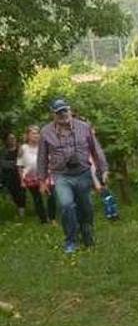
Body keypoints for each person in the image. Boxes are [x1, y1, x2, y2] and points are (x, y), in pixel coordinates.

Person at [36, 99, 108, 253]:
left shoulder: (84, 127)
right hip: (61, 175)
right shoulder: (45, 132)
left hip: (83, 173)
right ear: (53, 115)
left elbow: (96, 149)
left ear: (70, 110)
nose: (63, 114)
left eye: (65, 110)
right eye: (59, 112)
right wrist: (42, 181)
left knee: (86, 207)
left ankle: (87, 234)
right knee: (66, 205)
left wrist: (103, 169)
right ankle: (70, 240)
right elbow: (41, 157)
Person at [16, 126, 50, 224]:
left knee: (51, 195)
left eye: (37, 133)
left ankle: (52, 216)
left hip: (44, 175)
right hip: (30, 178)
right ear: (28, 135)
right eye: (33, 133)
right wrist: (22, 180)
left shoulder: (43, 146)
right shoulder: (23, 148)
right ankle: (44, 219)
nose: (36, 135)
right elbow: (19, 165)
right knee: (37, 197)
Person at [1, 133, 24, 218]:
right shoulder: (3, 151)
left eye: (14, 138)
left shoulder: (20, 149)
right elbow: (3, 164)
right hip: (9, 176)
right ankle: (19, 208)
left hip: (20, 174)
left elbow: (23, 162)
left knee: (21, 193)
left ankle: (22, 212)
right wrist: (15, 163)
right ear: (6, 140)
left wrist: (14, 164)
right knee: (14, 193)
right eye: (10, 138)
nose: (12, 140)